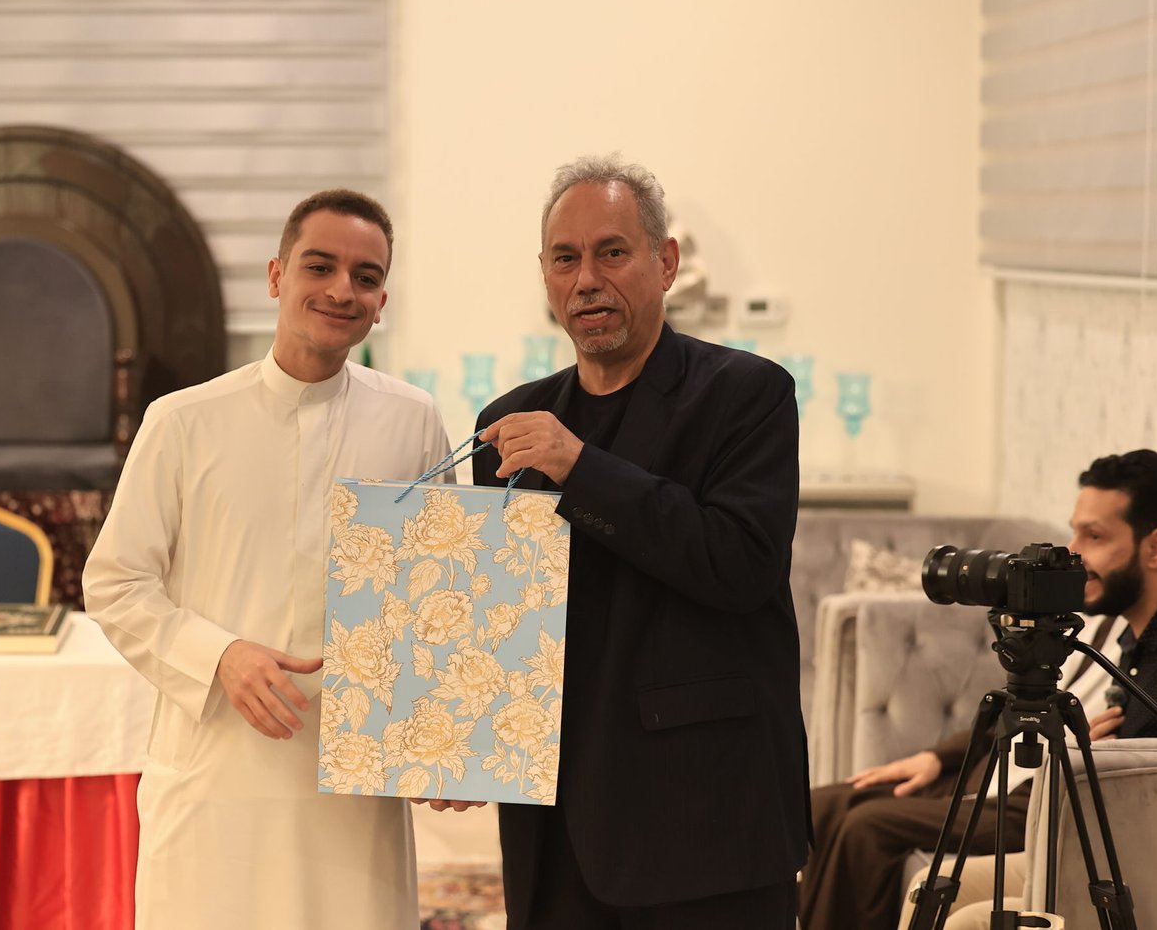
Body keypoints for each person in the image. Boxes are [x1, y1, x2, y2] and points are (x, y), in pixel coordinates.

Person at [83, 189, 451, 930]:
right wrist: (219, 656)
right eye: (320, 266)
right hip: (216, 770)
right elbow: (116, 582)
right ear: (278, 275)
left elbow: (439, 598)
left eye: (366, 276)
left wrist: (441, 738)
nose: (342, 290)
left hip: (353, 794)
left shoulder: (412, 421)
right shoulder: (183, 421)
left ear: (381, 303)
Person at [471, 155, 808, 929]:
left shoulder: (748, 395)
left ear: (666, 262)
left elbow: (740, 564)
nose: (587, 279)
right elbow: (498, 620)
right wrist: (460, 739)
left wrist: (579, 467)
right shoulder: (509, 423)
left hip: (705, 822)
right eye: (565, 259)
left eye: (612, 252)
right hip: (552, 829)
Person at [803, 448, 1157, 930]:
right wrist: (937, 757)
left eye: (1095, 536)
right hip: (1047, 794)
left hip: (1086, 827)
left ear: (1156, 548)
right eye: (1075, 532)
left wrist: (1100, 760)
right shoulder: (1128, 631)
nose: (1073, 553)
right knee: (824, 804)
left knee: (869, 831)